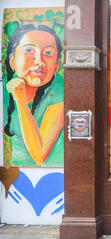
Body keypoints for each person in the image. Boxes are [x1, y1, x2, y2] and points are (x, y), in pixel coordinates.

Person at [3, 24, 64, 166]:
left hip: (55, 175)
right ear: (12, 61)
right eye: (29, 50)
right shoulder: (4, 88)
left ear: (56, 65)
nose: (39, 61)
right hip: (16, 175)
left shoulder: (60, 90)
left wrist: (21, 102)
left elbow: (39, 155)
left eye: (48, 53)